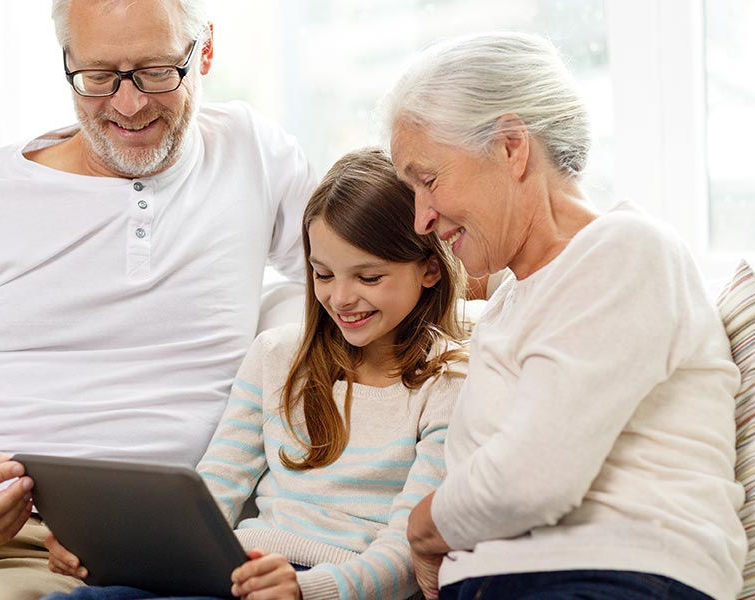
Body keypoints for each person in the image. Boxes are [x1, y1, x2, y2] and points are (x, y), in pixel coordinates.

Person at [0, 0, 318, 598]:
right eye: (98, 77)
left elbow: (390, 263)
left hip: (54, 549)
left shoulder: (253, 154)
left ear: (204, 49)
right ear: (67, 63)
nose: (128, 106)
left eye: (157, 72)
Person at [380, 32, 746, 600]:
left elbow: (531, 479)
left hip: (611, 576)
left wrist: (423, 530)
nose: (421, 219)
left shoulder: (625, 251)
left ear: (510, 146)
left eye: (427, 181)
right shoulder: (508, 304)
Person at [41, 148, 470, 600]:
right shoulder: (276, 356)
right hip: (239, 570)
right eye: (323, 274)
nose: (340, 298)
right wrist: (112, 553)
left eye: (367, 278)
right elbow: (212, 495)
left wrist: (308, 590)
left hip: (337, 584)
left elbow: (410, 548)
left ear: (430, 269)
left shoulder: (451, 384)